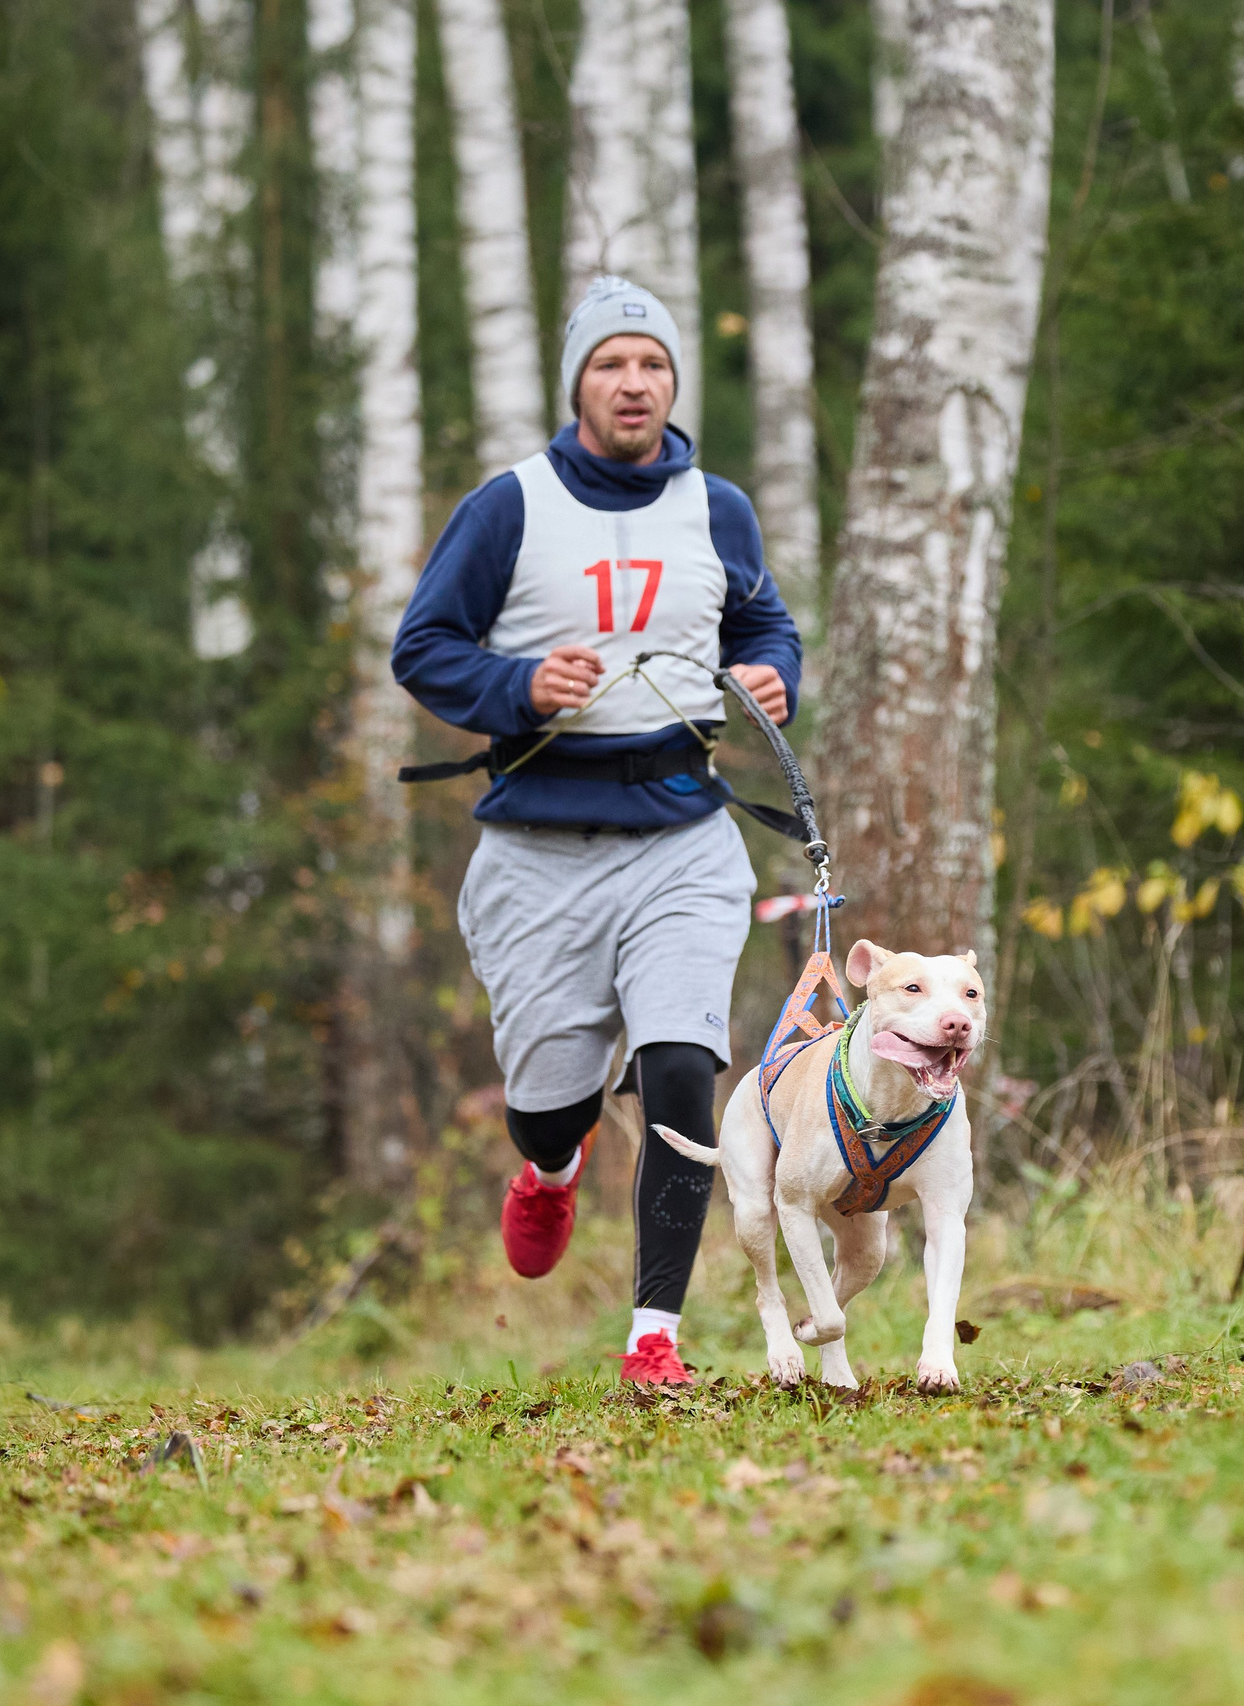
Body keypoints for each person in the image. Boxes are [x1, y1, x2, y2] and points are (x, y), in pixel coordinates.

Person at [391, 277, 801, 1386]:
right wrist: (519, 683)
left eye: (654, 365)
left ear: (674, 385)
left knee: (681, 1061)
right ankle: (551, 1165)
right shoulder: (509, 506)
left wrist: (775, 673)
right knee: (549, 1102)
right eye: (613, 363)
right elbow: (423, 647)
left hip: (682, 832)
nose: (635, 383)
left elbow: (762, 616)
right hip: (538, 843)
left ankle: (652, 1336)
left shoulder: (716, 505)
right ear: (578, 381)